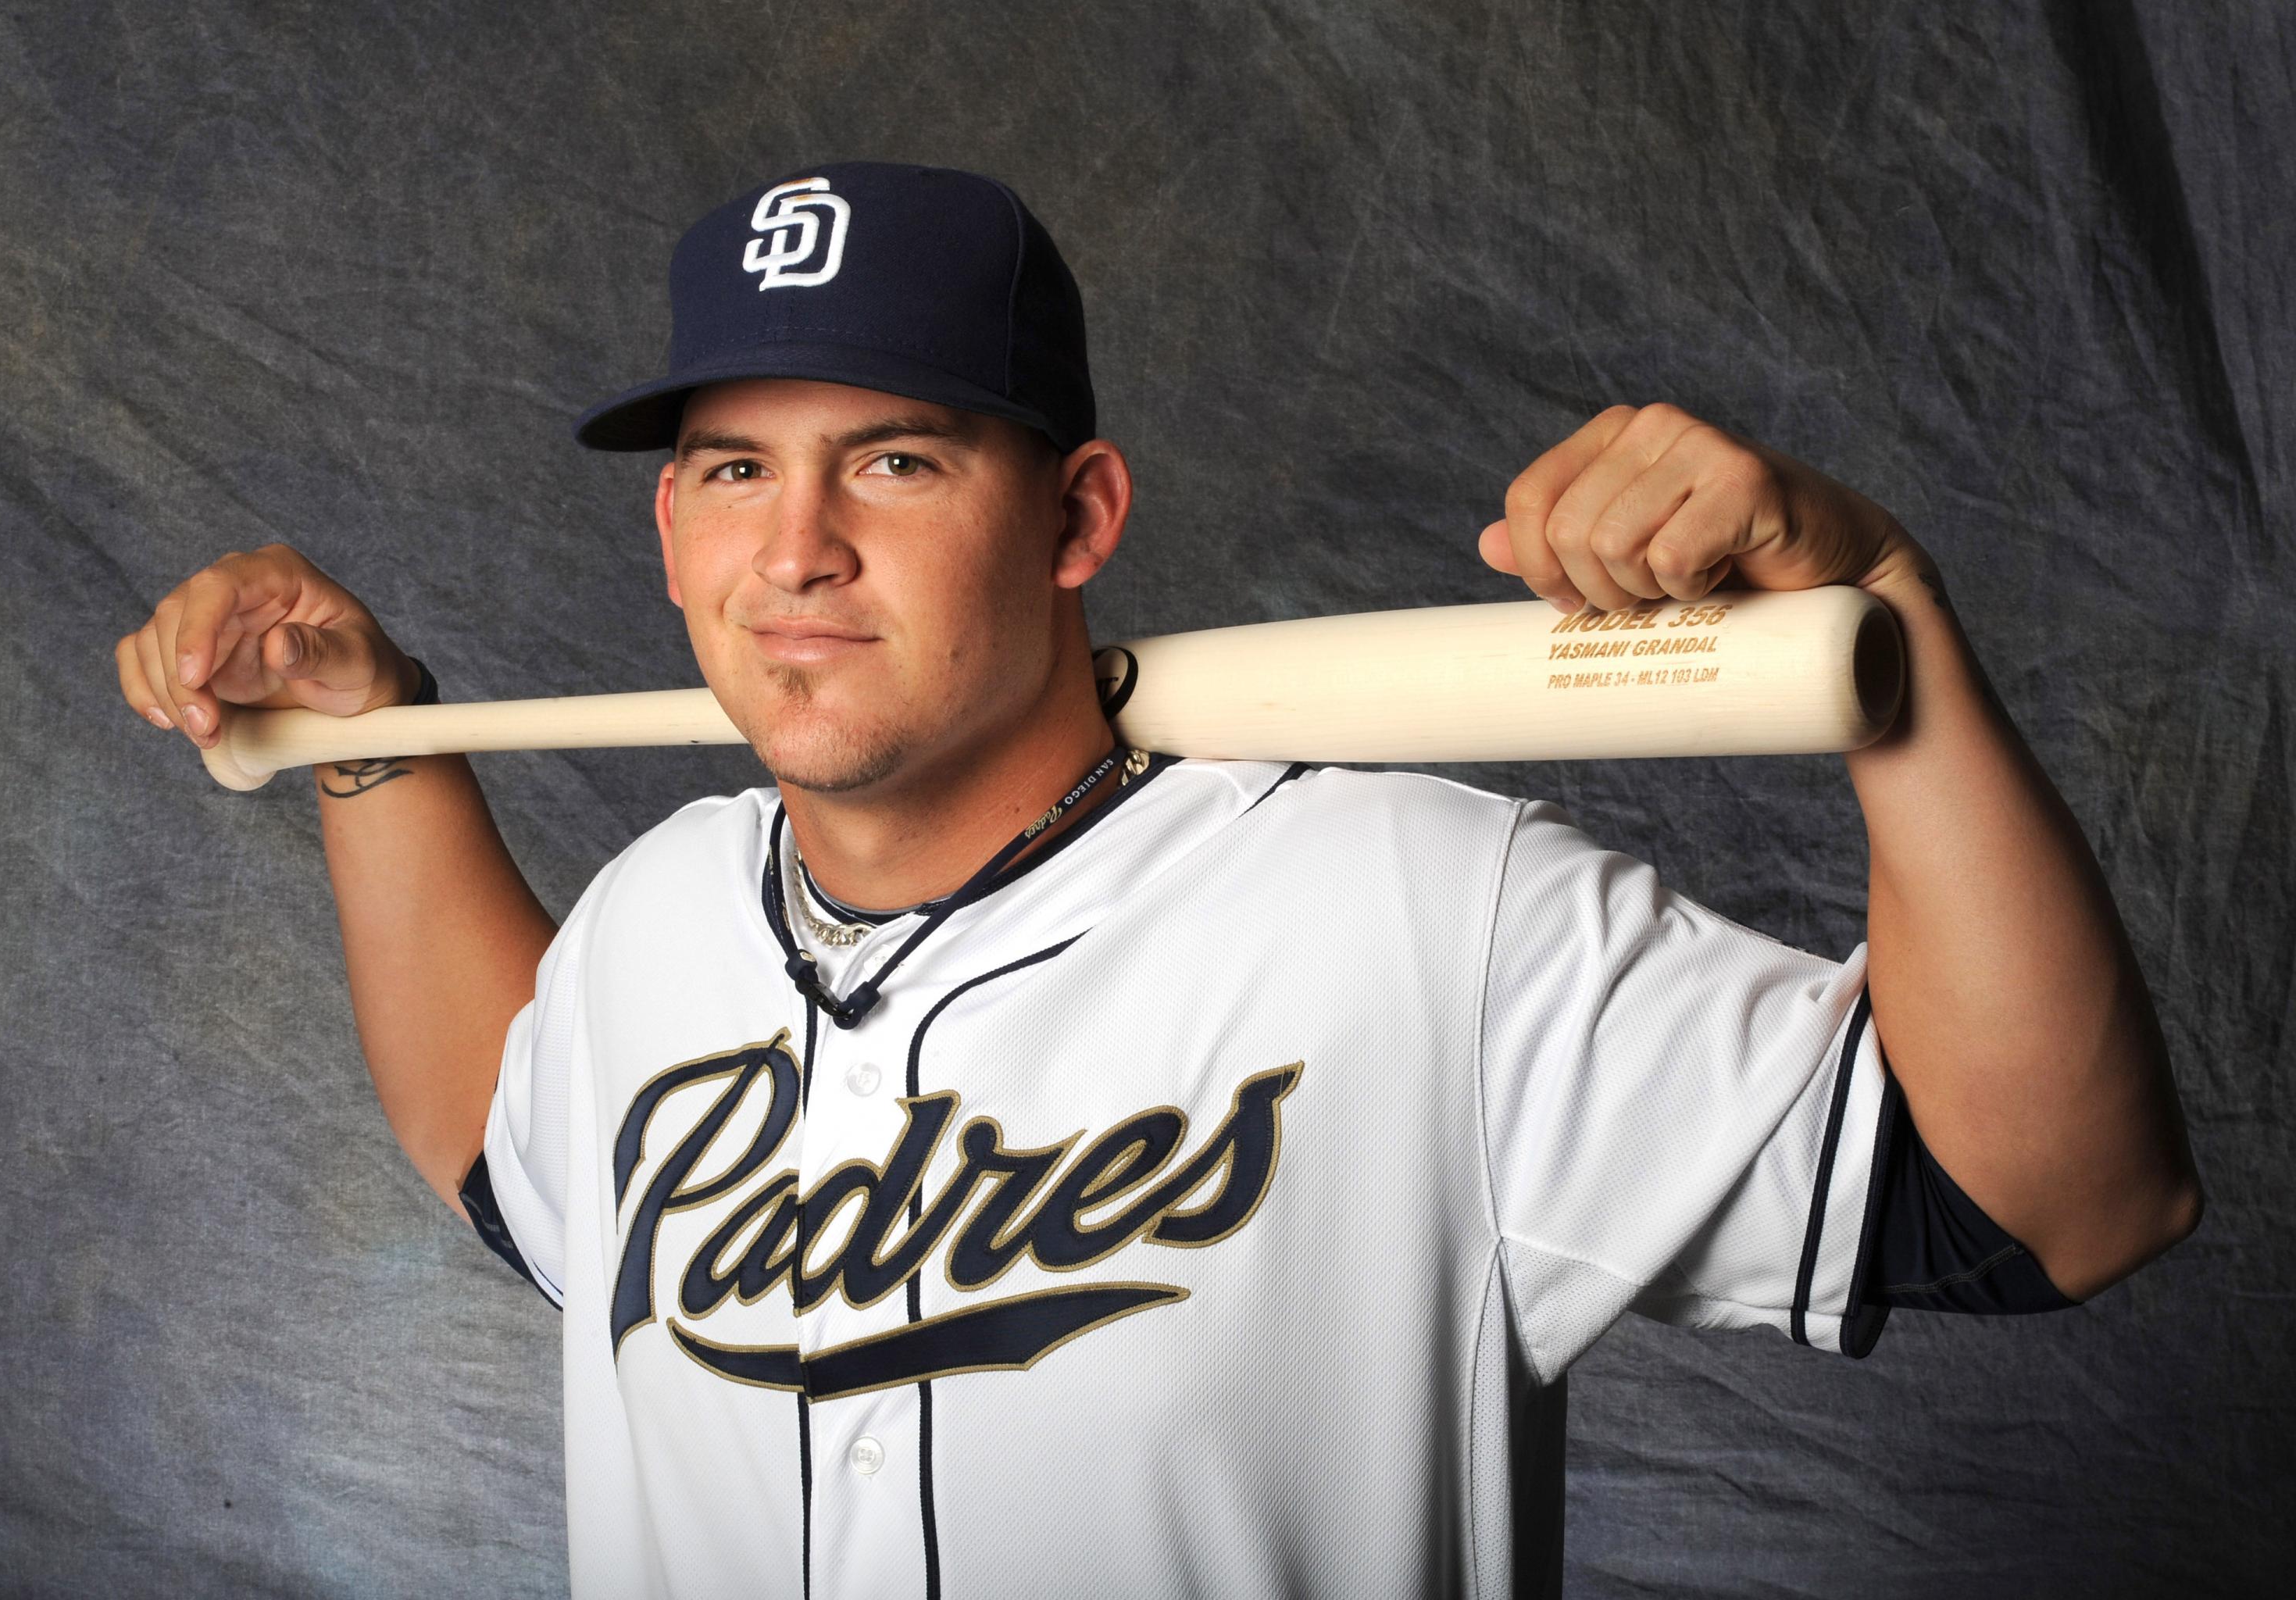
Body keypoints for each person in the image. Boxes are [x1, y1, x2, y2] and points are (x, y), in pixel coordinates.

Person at [112, 162, 2202, 1598]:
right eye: (736, 467)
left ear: (1079, 512)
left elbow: (2052, 1202)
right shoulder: (660, 917)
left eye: (900, 456)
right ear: (672, 535)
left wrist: (1886, 635)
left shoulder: (1405, 907)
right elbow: (509, 1132)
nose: (798, 546)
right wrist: (370, 738)